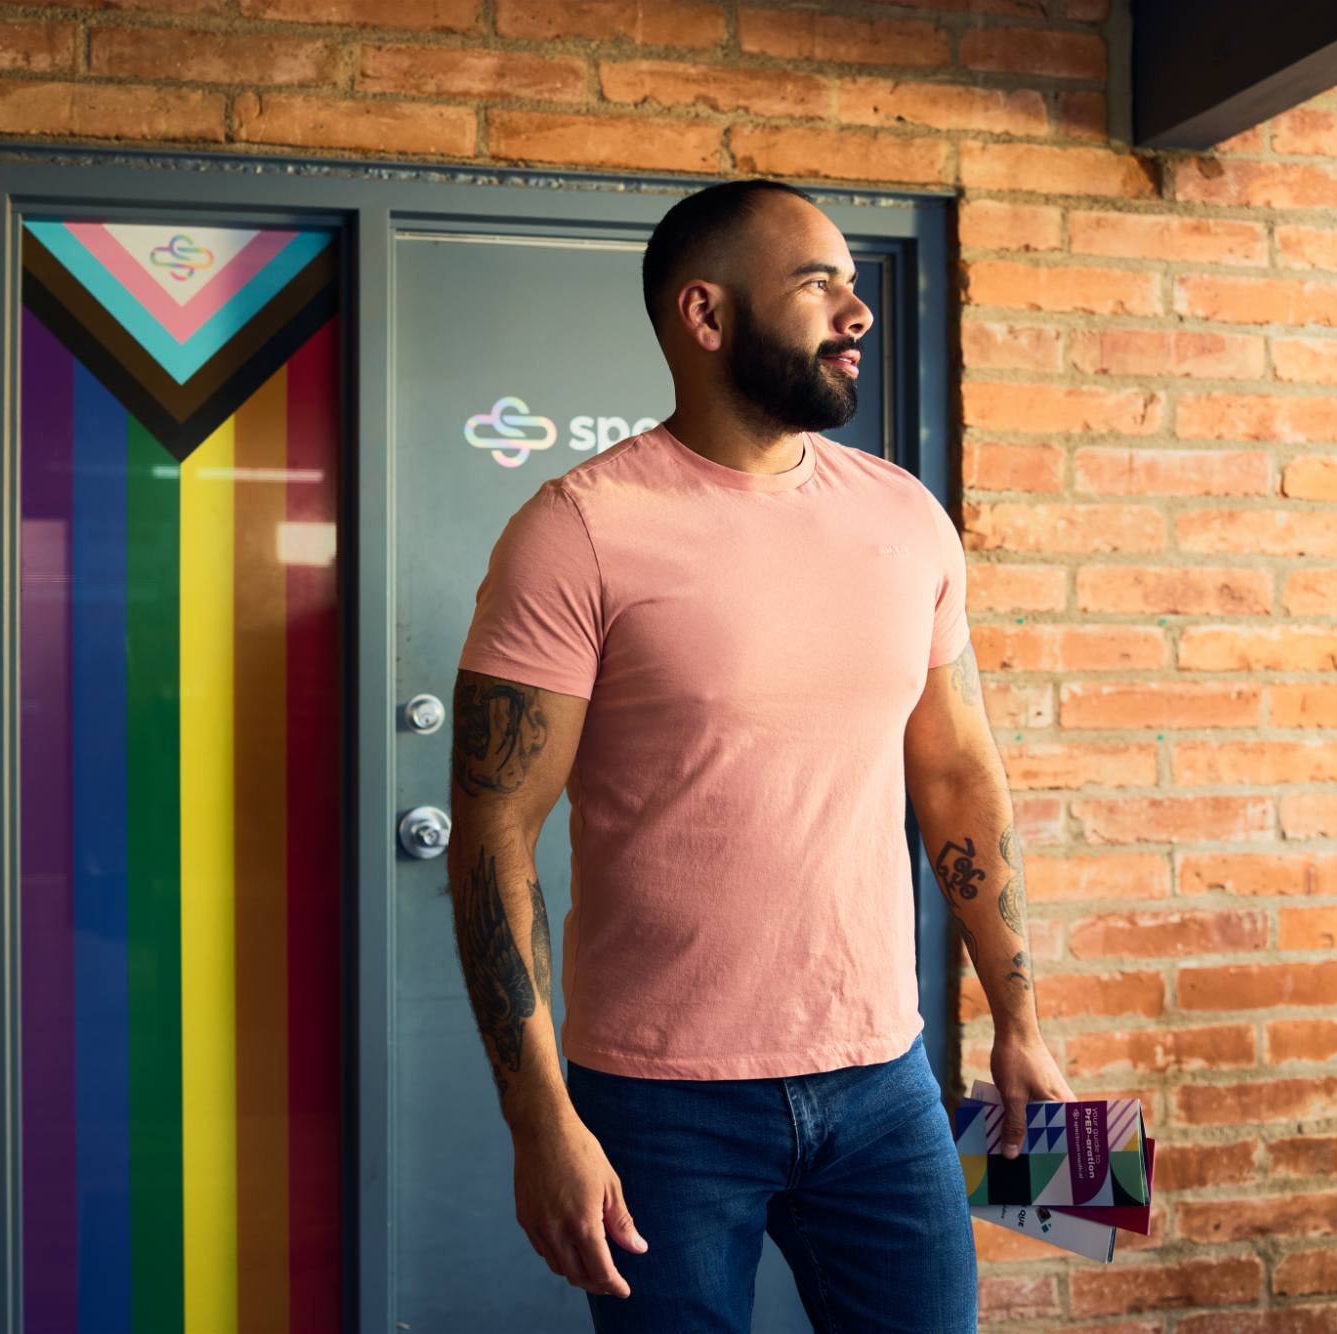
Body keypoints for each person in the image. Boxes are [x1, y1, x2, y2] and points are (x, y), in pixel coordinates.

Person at [445, 177, 1076, 1333]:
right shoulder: (574, 529)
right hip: (656, 1104)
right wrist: (538, 1117)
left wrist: (1016, 1018)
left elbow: (955, 777)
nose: (856, 309)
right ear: (706, 315)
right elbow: (492, 833)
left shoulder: (903, 519)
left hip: (886, 1079)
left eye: (850, 278)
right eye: (815, 281)